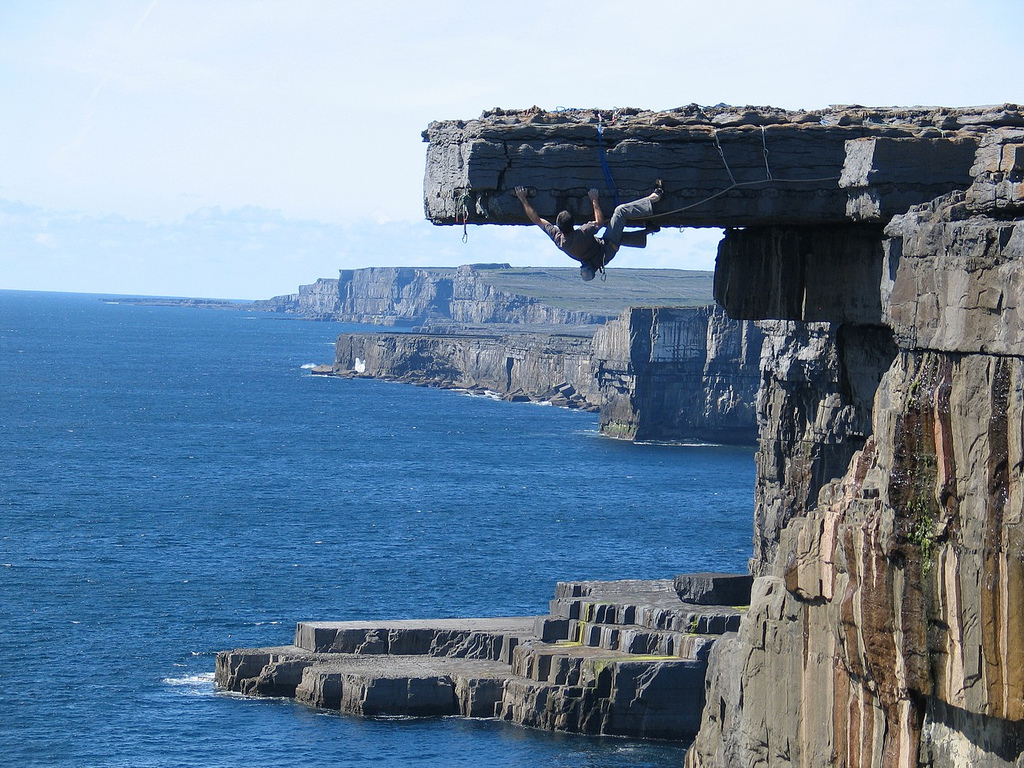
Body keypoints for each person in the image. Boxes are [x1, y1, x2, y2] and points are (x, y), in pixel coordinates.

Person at [515, 182, 663, 281]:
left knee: (616, 234)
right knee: (620, 212)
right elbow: (599, 222)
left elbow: (536, 219)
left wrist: (523, 199)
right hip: (607, 248)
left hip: (601, 254)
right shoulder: (583, 232)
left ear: (559, 228)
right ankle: (652, 200)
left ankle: (649, 230)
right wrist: (594, 200)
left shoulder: (560, 241)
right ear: (573, 224)